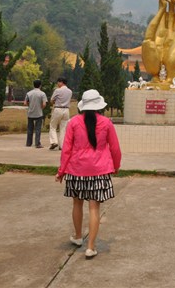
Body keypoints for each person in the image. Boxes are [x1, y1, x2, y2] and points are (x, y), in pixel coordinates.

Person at [56, 89, 121, 258]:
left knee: (77, 204)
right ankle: (91, 247)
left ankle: (78, 237)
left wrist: (61, 171)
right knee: (94, 208)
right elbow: (115, 148)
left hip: (77, 170)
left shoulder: (73, 122)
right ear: (99, 105)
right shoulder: (106, 123)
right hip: (99, 170)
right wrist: (116, 166)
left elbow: (66, 149)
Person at [49, 77, 72, 150]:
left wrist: (54, 102)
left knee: (53, 126)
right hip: (66, 110)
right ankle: (62, 145)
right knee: (63, 128)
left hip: (58, 108)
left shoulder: (57, 90)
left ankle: (54, 141)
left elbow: (51, 100)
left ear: (61, 82)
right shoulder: (70, 91)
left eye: (58, 82)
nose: (57, 84)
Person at [24, 79, 48, 148]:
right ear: (40, 85)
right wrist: (41, 108)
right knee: (38, 129)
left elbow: (25, 103)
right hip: (39, 113)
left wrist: (30, 106)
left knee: (30, 129)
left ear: (33, 85)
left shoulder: (29, 93)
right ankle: (37, 143)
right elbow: (44, 104)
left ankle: (28, 143)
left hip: (30, 113)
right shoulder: (42, 94)